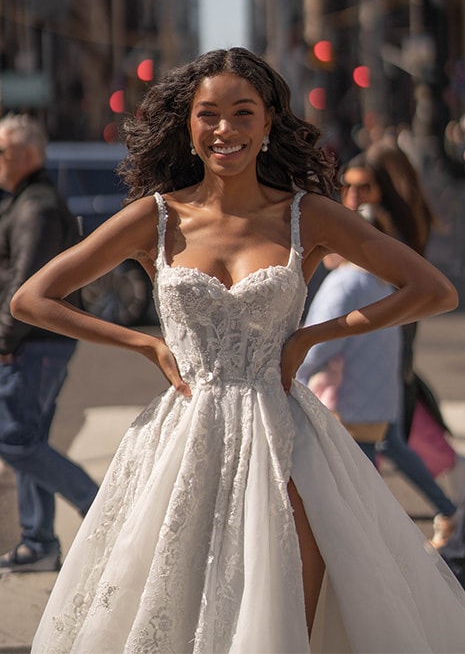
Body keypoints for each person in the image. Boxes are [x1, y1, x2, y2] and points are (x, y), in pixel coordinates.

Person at [10, 48, 465, 653]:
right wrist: (145, 343)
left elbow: (432, 291)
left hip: (289, 441)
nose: (225, 129)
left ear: (269, 123)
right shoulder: (156, 217)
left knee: (284, 616)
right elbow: (32, 299)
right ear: (189, 126)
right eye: (209, 114)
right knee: (175, 611)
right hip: (181, 442)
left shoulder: (309, 217)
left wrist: (314, 334)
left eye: (243, 112)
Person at [340, 151, 460, 549]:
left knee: (380, 439)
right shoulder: (350, 224)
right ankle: (393, 520)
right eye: (349, 187)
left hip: (380, 350)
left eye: (364, 187)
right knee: (376, 440)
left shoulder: (380, 230)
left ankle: (439, 512)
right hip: (362, 353)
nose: (355, 196)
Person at [0, 114, 98, 574]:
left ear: (29, 154)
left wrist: (4, 339)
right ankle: (38, 541)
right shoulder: (24, 201)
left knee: (15, 440)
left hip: (34, 342)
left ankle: (97, 506)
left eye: (4, 150)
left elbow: (24, 286)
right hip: (36, 341)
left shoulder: (35, 206)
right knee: (28, 438)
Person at [297, 205, 402, 467]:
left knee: (351, 489)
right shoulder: (380, 281)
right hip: (375, 400)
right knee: (366, 482)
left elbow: (319, 341)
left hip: (343, 400)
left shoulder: (344, 282)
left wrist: (292, 365)